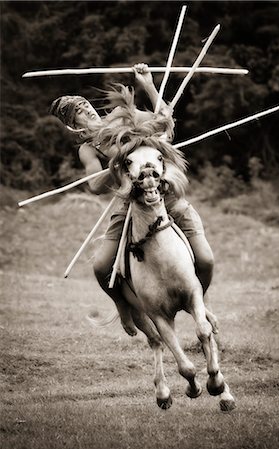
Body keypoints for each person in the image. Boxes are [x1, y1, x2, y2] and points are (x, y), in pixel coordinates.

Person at [50, 63, 215, 336]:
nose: (86, 109)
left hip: (165, 195)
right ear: (72, 124)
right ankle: (124, 308)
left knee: (206, 260)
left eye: (85, 104)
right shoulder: (88, 149)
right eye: (77, 111)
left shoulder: (120, 115)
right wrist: (117, 163)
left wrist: (148, 83)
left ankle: (201, 301)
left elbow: (165, 120)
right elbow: (94, 184)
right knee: (102, 266)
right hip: (131, 206)